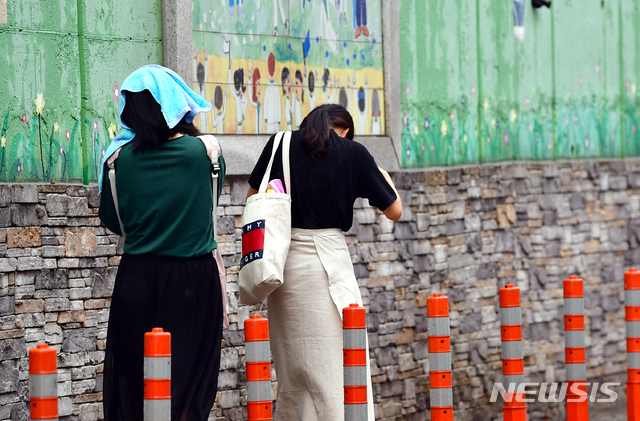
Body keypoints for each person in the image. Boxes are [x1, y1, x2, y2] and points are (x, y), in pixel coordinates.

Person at [246, 104, 402, 421]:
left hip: (285, 267)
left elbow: (253, 195)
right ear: (343, 129)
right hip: (328, 264)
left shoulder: (280, 144)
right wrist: (381, 175)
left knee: (294, 374)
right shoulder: (354, 153)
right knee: (339, 367)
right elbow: (394, 210)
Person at [98, 65, 226, 421]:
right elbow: (209, 204)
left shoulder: (117, 162)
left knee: (137, 381)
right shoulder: (205, 153)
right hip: (194, 280)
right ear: (174, 104)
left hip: (136, 279)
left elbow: (112, 219)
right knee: (189, 382)